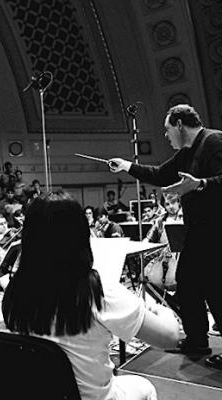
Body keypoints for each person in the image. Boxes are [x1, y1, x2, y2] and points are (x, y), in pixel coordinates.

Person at [2, 192, 179, 400]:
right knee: (144, 387)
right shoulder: (96, 289)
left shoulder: (15, 291)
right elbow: (170, 338)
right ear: (80, 234)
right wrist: (161, 309)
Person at [108, 104, 222, 365]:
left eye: (168, 129)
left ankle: (199, 340)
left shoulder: (215, 141)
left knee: (215, 289)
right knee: (188, 282)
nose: (166, 135)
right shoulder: (185, 154)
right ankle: (197, 341)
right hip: (199, 231)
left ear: (180, 124)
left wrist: (201, 184)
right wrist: (127, 166)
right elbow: (160, 175)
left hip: (217, 231)